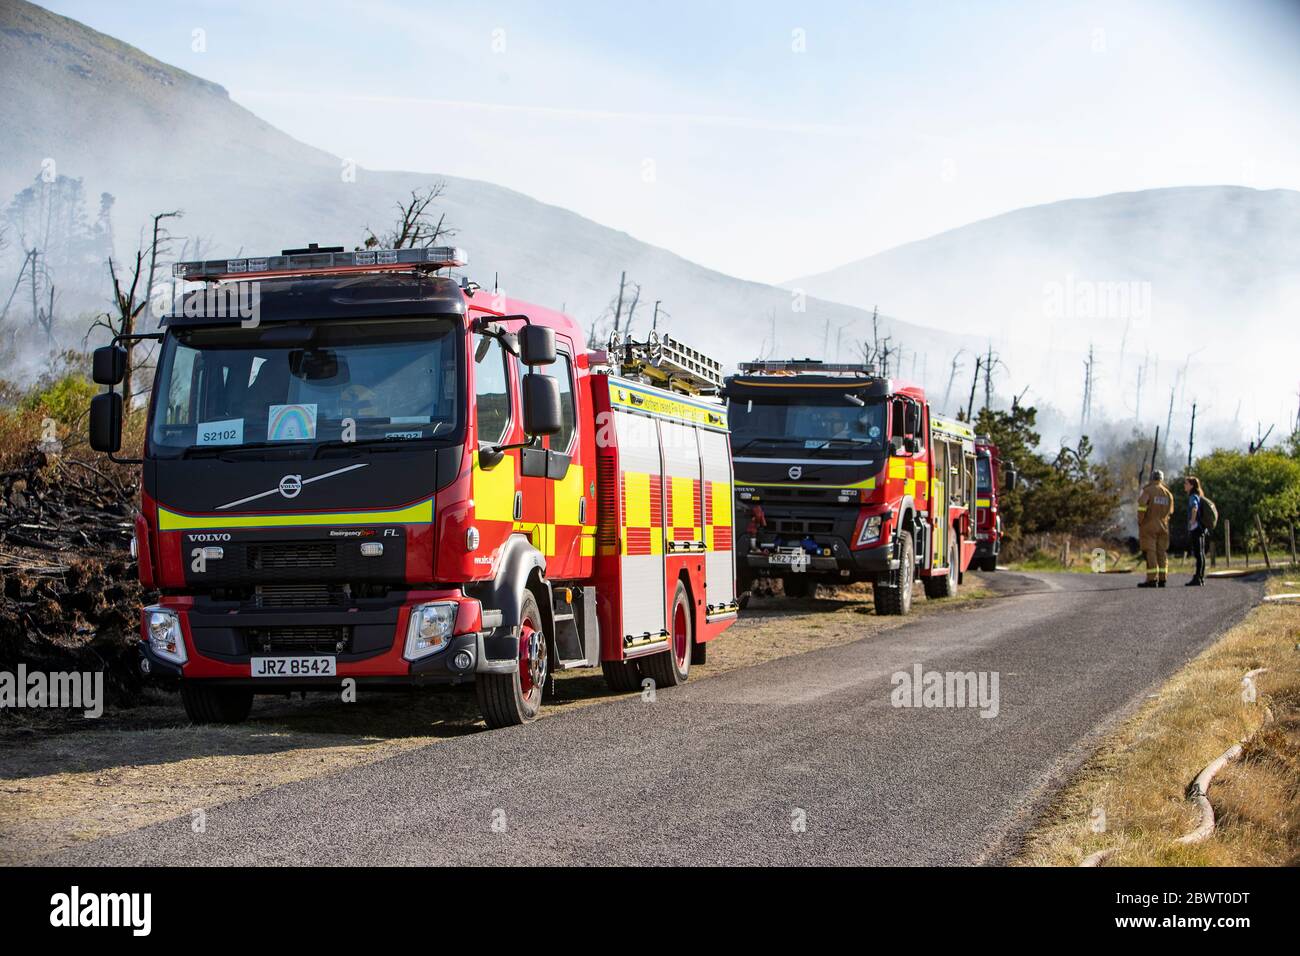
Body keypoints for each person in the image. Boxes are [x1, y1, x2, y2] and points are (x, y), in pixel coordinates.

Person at [1136, 469, 1174, 588]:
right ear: (1161, 479)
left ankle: (1152, 579)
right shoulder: (1168, 493)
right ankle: (1163, 578)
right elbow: (1171, 511)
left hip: (1149, 526)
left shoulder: (1148, 491)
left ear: (1152, 478)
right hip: (1163, 526)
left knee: (1150, 551)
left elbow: (1142, 506)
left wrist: (1141, 521)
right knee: (1161, 552)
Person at [1184, 475, 1207, 586]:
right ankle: (1200, 577)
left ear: (1191, 485)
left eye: (1186, 483)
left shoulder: (1193, 497)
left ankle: (1197, 578)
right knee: (1201, 553)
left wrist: (1192, 521)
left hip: (1196, 528)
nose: (1184, 485)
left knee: (1198, 554)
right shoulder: (1198, 495)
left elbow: (1194, 508)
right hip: (1201, 528)